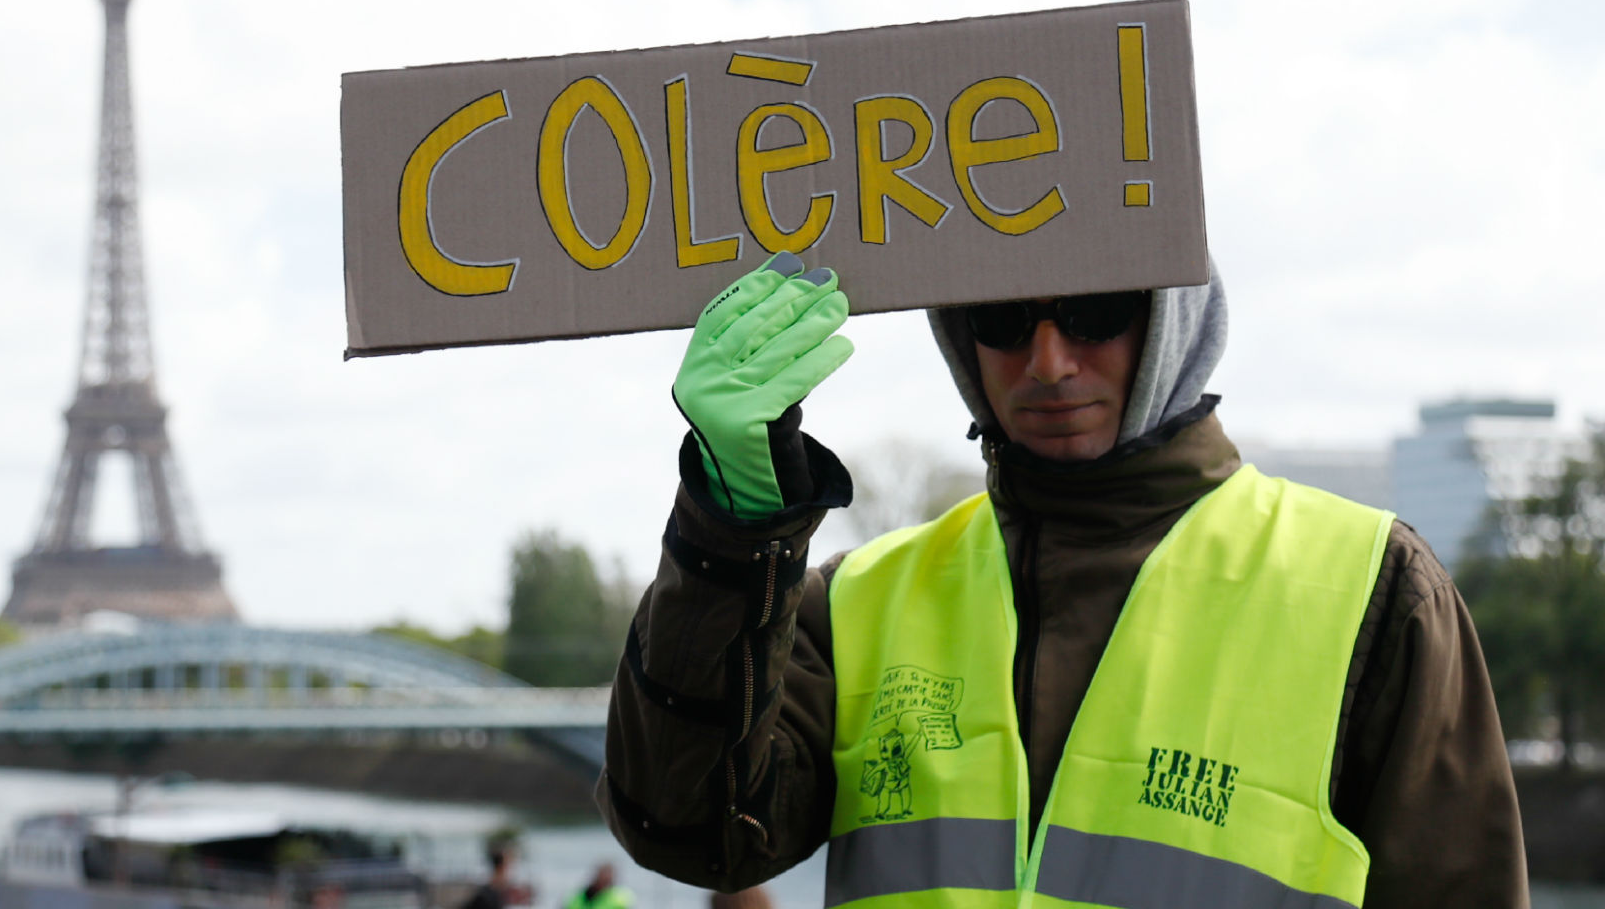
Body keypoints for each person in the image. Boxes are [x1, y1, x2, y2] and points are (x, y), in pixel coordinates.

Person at [598, 253, 1528, 907]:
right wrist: (732, 527)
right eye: (1001, 320)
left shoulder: (1372, 591)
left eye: (1095, 311)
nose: (1047, 363)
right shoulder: (858, 602)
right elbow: (690, 830)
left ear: (1173, 313)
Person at [459, 841, 522, 909]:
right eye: (510, 866)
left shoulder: (496, 894)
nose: (513, 872)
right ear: (501, 868)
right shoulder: (485, 897)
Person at [562, 864, 632, 909]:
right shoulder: (577, 897)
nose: (603, 884)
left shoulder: (620, 899)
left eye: (606, 881)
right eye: (601, 879)